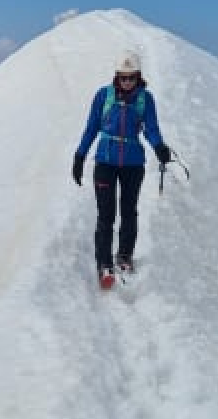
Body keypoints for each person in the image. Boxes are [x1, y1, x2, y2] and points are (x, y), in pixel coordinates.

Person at [72, 50, 172, 289]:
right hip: (105, 162)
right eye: (123, 77)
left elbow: (151, 128)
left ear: (138, 77)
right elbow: (91, 128)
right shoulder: (103, 96)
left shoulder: (145, 99)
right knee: (106, 215)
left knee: (129, 212)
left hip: (133, 164)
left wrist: (159, 146)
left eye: (132, 77)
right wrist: (80, 155)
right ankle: (104, 263)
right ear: (117, 76)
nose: (127, 82)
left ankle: (124, 256)